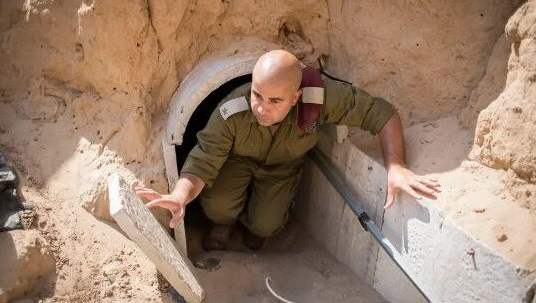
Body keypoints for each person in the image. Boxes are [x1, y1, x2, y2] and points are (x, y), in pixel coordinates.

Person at [135, 50, 440, 251]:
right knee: (217, 205)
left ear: (295, 98)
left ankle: (254, 229)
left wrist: (396, 166)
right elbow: (202, 162)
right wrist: (179, 196)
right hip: (236, 159)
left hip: (283, 165)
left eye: (274, 101)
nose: (260, 108)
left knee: (265, 225)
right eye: (257, 95)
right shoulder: (231, 111)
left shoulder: (320, 98)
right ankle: (222, 225)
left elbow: (382, 113)